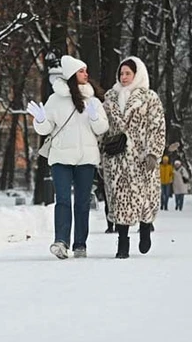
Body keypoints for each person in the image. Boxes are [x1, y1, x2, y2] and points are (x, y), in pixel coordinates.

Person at [27, 55, 109, 259]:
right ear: (73, 75)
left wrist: (94, 116)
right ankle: (61, 241)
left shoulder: (93, 100)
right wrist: (40, 119)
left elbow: (102, 128)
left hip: (86, 159)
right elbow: (45, 129)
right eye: (82, 71)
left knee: (82, 202)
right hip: (61, 158)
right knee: (62, 200)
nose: (86, 74)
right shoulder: (55, 100)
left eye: (86, 70)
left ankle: (80, 244)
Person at [101, 56, 166, 258]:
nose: (124, 77)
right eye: (121, 73)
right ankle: (122, 243)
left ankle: (145, 228)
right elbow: (103, 128)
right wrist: (101, 151)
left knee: (145, 199)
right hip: (116, 158)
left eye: (128, 73)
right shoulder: (110, 98)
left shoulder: (149, 98)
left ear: (137, 74)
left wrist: (154, 153)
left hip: (141, 159)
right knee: (119, 200)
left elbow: (157, 127)